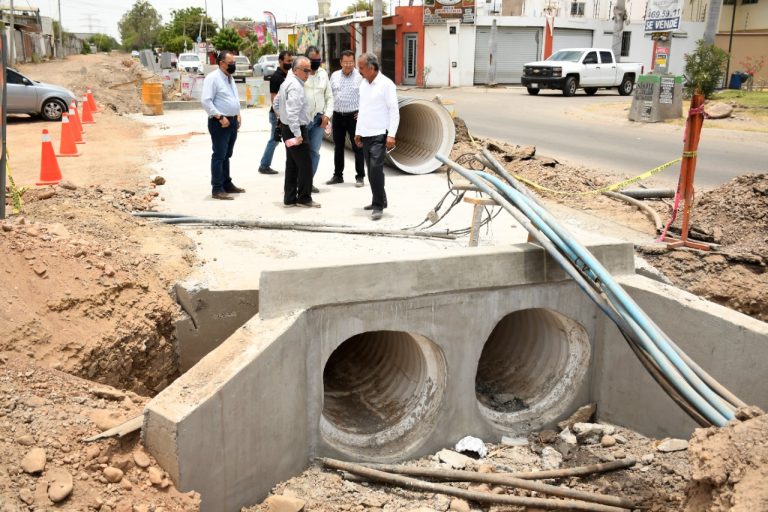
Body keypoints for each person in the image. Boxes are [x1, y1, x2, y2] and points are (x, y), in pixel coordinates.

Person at [354, 53, 398, 221]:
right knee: (371, 171)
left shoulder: (386, 84)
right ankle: (379, 199)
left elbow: (394, 111)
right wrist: (358, 131)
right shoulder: (363, 84)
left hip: (380, 133)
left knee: (375, 169)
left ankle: (378, 206)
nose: (359, 70)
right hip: (365, 133)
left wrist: (392, 135)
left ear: (371, 68)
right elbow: (362, 109)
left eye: (361, 67)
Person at [277, 56, 320, 208]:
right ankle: (304, 198)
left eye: (309, 70)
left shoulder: (287, 83)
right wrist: (297, 134)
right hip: (295, 130)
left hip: (288, 128)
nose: (308, 73)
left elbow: (276, 103)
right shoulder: (295, 86)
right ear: (295, 70)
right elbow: (292, 113)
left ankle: (289, 198)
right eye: (305, 70)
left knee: (292, 164)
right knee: (306, 164)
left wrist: (281, 118)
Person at [201, 50, 244, 200]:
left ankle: (227, 183)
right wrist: (220, 117)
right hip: (220, 122)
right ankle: (217, 188)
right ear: (221, 63)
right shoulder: (213, 78)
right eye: (230, 63)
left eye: (234, 63)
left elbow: (233, 98)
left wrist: (238, 114)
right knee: (219, 155)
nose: (233, 65)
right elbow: (206, 101)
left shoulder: (229, 78)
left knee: (227, 155)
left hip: (232, 121)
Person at [327, 49, 364, 187]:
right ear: (341, 62)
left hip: (354, 117)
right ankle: (338, 175)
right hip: (337, 116)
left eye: (351, 62)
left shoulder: (360, 77)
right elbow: (330, 95)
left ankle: (360, 176)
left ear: (354, 62)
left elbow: (367, 97)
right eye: (345, 62)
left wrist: (363, 112)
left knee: (358, 146)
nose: (348, 65)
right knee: (338, 147)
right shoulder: (334, 75)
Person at [303, 46, 334, 193]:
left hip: (318, 120)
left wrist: (327, 115)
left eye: (318, 60)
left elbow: (329, 97)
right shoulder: (298, 73)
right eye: (313, 60)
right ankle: (297, 183)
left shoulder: (323, 74)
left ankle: (308, 182)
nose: (316, 62)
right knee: (300, 152)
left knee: (314, 152)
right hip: (302, 120)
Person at [258, 50, 293, 175]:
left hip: (286, 114)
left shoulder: (288, 76)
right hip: (277, 115)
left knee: (278, 140)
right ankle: (264, 165)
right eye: (288, 61)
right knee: (274, 139)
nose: (290, 63)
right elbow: (274, 98)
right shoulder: (276, 77)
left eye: (291, 61)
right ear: (280, 61)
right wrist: (279, 117)